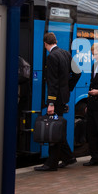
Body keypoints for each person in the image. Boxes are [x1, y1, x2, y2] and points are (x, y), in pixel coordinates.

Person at [34, 32, 81, 171]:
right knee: (57, 127)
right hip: (63, 97)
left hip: (56, 100)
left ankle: (51, 163)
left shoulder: (52, 57)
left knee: (53, 128)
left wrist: (51, 103)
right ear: (55, 41)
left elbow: (52, 83)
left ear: (45, 44)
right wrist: (68, 87)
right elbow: (77, 73)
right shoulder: (65, 53)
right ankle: (68, 157)